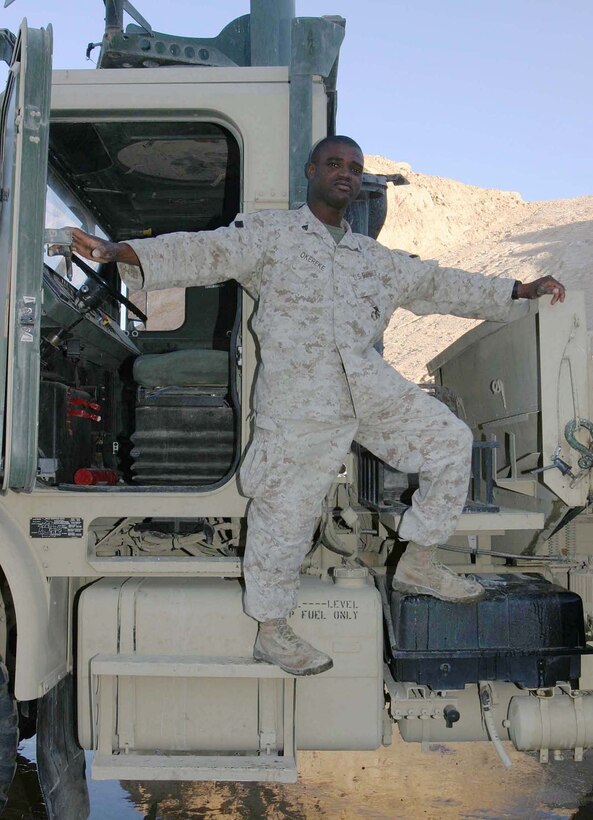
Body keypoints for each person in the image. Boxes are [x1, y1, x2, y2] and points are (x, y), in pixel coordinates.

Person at [66, 135, 565, 677]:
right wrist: (122, 252)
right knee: (284, 515)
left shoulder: (374, 259)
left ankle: (419, 561)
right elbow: (205, 251)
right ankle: (272, 631)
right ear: (311, 171)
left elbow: (439, 283)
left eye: (354, 167)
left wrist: (518, 289)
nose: (345, 173)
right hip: (298, 402)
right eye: (334, 163)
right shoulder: (273, 235)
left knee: (449, 442)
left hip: (366, 388)